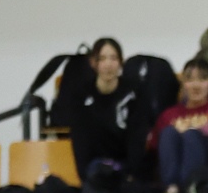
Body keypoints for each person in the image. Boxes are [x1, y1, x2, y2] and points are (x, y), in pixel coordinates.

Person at [61, 39, 148, 177]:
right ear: (93, 63)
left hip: (125, 170)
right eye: (102, 59)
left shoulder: (133, 93)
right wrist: (87, 176)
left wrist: (131, 174)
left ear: (121, 62)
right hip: (94, 171)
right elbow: (80, 140)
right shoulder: (81, 95)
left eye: (113, 58)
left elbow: (137, 138)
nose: (108, 64)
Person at [148, 59, 208, 190]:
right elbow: (155, 145)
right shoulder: (169, 114)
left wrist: (197, 133)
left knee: (191, 135)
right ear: (183, 84)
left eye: (202, 79)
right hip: (175, 167)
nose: (196, 85)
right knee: (169, 132)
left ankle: (189, 189)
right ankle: (171, 188)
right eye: (190, 79)